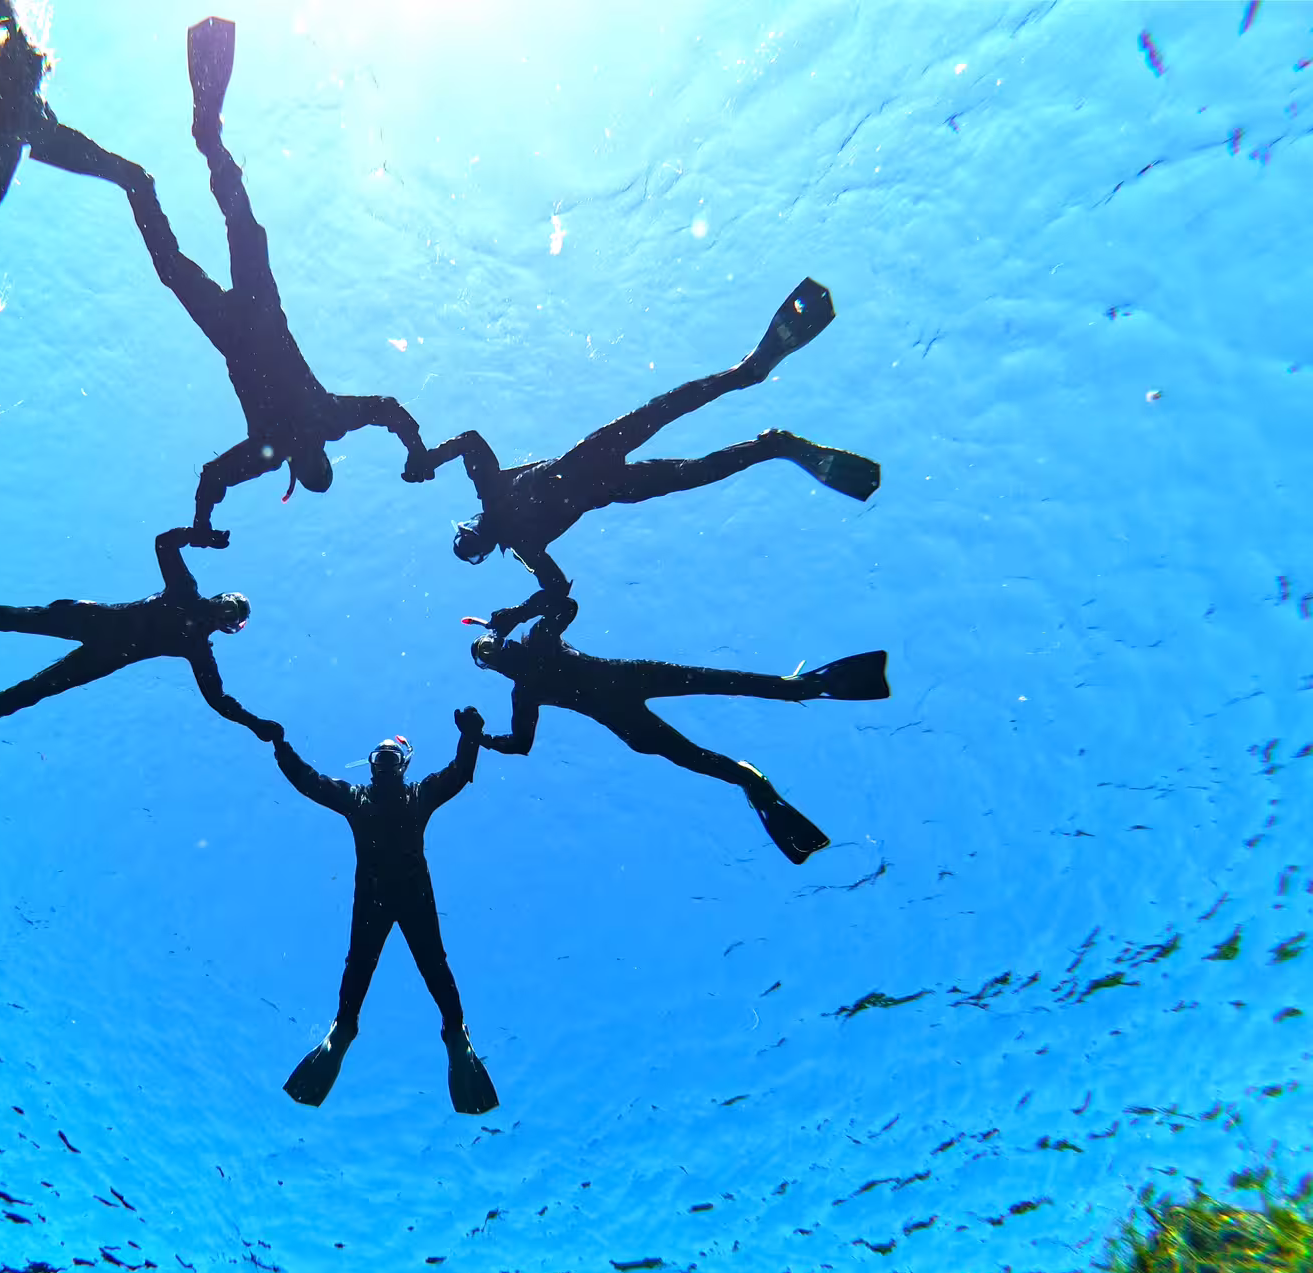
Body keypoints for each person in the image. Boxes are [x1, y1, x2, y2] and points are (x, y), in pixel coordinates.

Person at [121, 18, 428, 534]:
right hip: (260, 314)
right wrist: (415, 449)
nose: (311, 460)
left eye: (310, 470)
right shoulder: (328, 420)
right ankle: (204, 143)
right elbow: (390, 411)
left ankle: (138, 185)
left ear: (297, 470)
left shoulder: (272, 450)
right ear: (324, 458)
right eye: (321, 465)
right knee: (238, 227)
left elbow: (212, 478)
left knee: (190, 259)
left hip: (236, 331)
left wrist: (201, 524)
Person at [412, 278, 881, 592]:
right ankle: (769, 443)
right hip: (611, 484)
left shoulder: (494, 497)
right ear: (484, 549)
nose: (475, 536)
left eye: (465, 535)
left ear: (469, 523)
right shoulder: (524, 547)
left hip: (590, 460)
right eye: (473, 547)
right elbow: (559, 590)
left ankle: (749, 377)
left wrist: (430, 458)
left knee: (668, 413)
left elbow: (471, 440)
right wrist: (520, 617)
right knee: (692, 466)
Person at [465, 588, 889, 864]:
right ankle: (751, 772)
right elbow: (521, 742)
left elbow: (564, 602)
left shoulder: (533, 658)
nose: (491, 654)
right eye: (484, 656)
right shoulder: (526, 681)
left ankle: (797, 694)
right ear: (492, 664)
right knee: (704, 721)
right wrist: (482, 737)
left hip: (627, 695)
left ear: (498, 640)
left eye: (487, 647)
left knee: (717, 687)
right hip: (627, 695)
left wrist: (483, 738)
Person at [0, 528, 277, 780]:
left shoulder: (196, 640)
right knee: (11, 623)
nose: (224, 613)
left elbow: (218, 699)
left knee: (28, 682)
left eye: (231, 616)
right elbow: (164, 543)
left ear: (228, 626)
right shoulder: (187, 600)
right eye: (229, 607)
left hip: (102, 647)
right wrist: (200, 534)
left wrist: (254, 722)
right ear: (223, 602)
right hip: (97, 629)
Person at [266, 709, 499, 1114]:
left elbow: (459, 773)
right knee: (381, 964)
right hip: (394, 894)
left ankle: (449, 1033)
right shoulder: (362, 798)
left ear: (402, 766)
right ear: (372, 765)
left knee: (424, 964)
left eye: (391, 758)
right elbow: (311, 783)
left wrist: (471, 737)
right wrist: (281, 747)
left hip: (395, 895)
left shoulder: (411, 795)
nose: (386, 764)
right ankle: (348, 1029)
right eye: (381, 758)